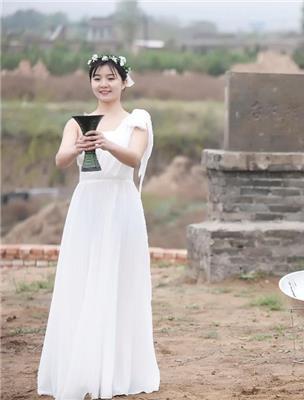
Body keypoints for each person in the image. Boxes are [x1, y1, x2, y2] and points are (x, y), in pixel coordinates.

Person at [37, 54, 160, 399]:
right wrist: (77, 146)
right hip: (87, 205)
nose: (103, 84)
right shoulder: (77, 122)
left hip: (121, 203)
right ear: (90, 82)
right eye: (97, 78)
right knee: (82, 279)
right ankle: (82, 367)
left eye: (110, 77)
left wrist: (108, 143)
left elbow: (134, 158)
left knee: (119, 281)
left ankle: (117, 372)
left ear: (123, 82)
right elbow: (61, 160)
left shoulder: (137, 120)